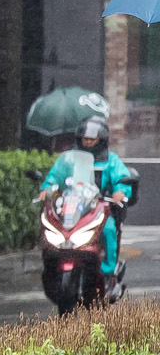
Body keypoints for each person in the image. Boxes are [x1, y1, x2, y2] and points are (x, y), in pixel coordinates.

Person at [42, 116, 133, 279]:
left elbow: (122, 179)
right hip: (71, 208)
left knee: (109, 229)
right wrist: (47, 189)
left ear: (101, 140)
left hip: (99, 209)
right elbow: (54, 177)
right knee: (52, 228)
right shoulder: (69, 158)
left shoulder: (111, 160)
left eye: (92, 139)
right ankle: (53, 266)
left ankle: (108, 271)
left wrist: (120, 191)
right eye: (85, 139)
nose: (88, 142)